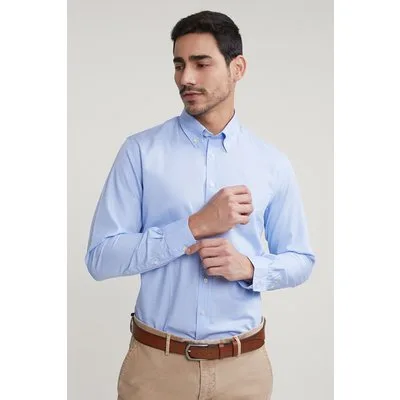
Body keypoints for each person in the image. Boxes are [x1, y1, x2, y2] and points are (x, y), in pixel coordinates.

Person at [85, 10, 315, 400]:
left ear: (237, 68)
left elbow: (301, 259)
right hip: (156, 370)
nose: (185, 78)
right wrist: (193, 227)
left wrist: (250, 268)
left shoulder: (272, 163)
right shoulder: (140, 152)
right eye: (179, 65)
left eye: (201, 63)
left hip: (244, 371)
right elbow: (100, 258)